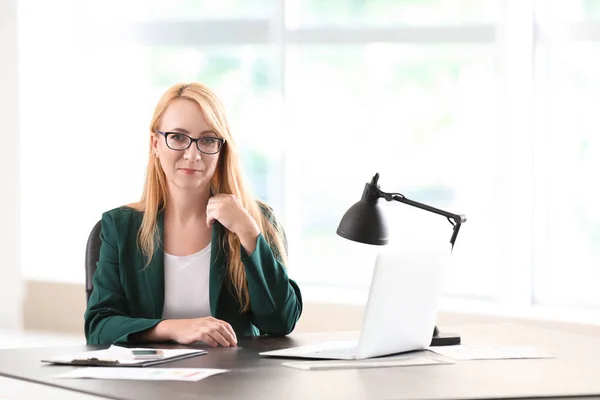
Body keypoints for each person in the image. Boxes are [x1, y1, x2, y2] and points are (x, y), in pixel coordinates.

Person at [84, 82, 302, 346]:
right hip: (148, 383)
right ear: (155, 143)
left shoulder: (254, 219)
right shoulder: (119, 227)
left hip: (235, 380)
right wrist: (173, 329)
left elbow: (281, 321)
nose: (192, 154)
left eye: (208, 140)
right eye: (177, 137)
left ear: (222, 149)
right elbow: (98, 326)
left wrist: (248, 232)